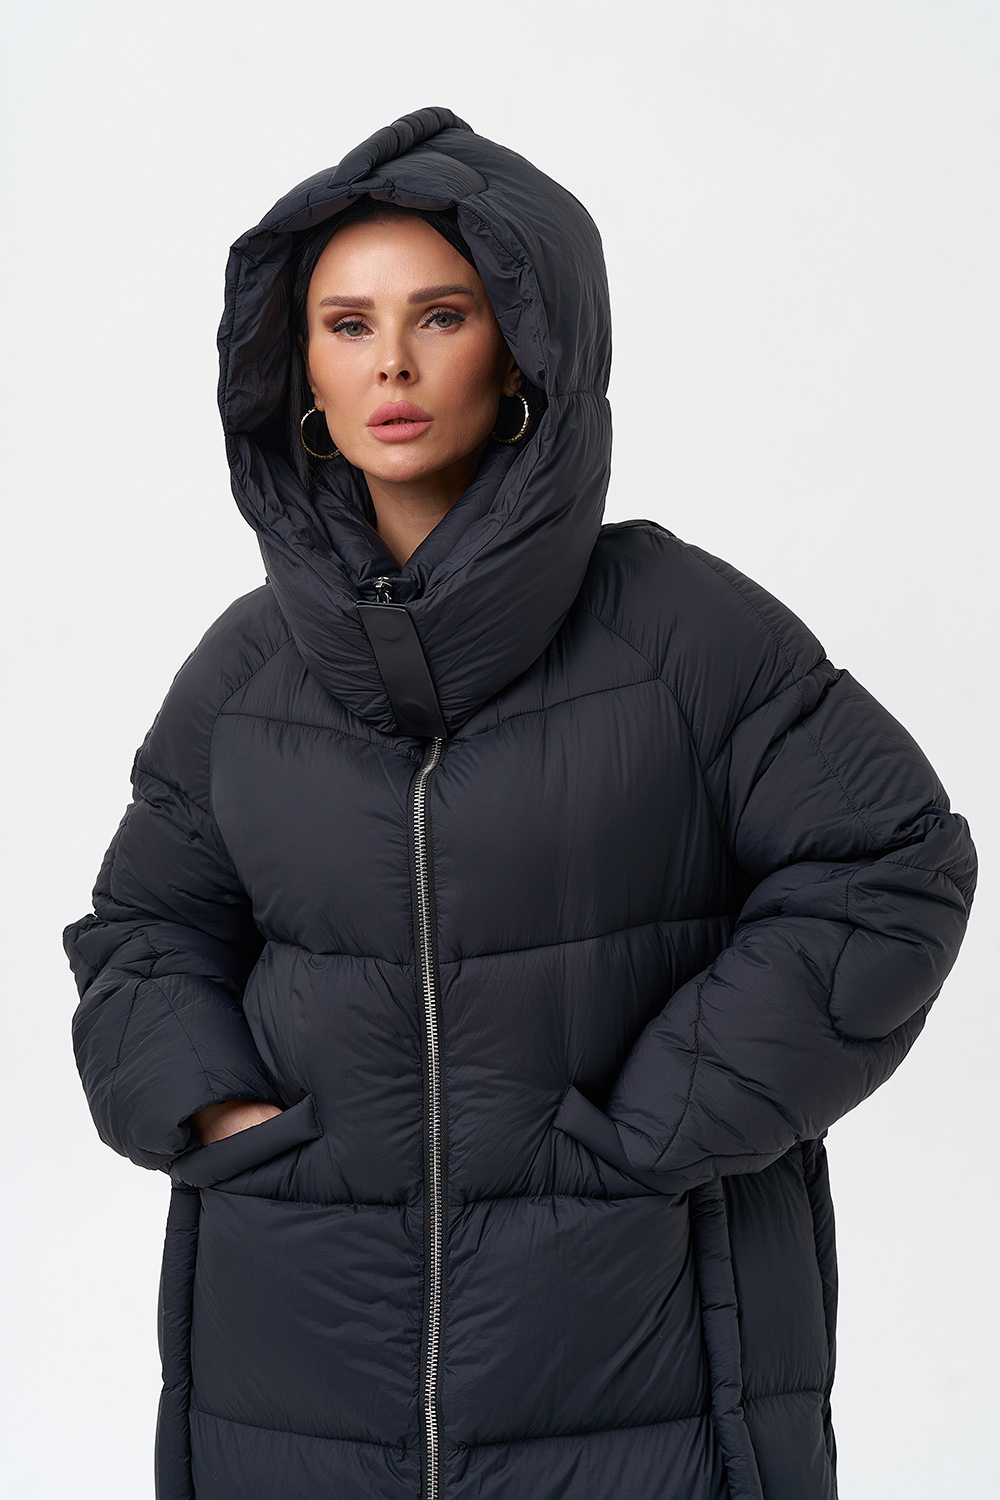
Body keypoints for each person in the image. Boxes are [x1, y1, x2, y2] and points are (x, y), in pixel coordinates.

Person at [64, 106, 976, 1500]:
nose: (393, 363)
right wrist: (215, 1111)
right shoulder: (245, 671)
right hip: (294, 1347)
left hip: (640, 1343)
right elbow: (142, 932)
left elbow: (889, 864)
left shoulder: (682, 630)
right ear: (300, 370)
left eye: (441, 316)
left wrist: (654, 1128)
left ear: (526, 353)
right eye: (348, 325)